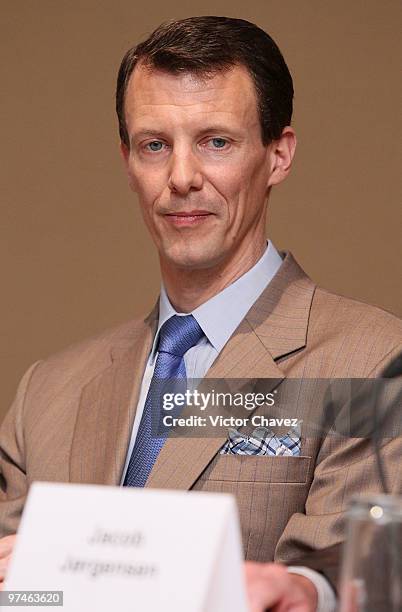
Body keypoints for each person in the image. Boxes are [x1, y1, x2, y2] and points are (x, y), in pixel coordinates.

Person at [0, 16, 401, 612]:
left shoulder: (372, 361)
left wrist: (306, 590)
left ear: (278, 155)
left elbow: (358, 571)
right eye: (154, 145)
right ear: (127, 160)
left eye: (217, 142)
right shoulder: (48, 392)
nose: (181, 178)